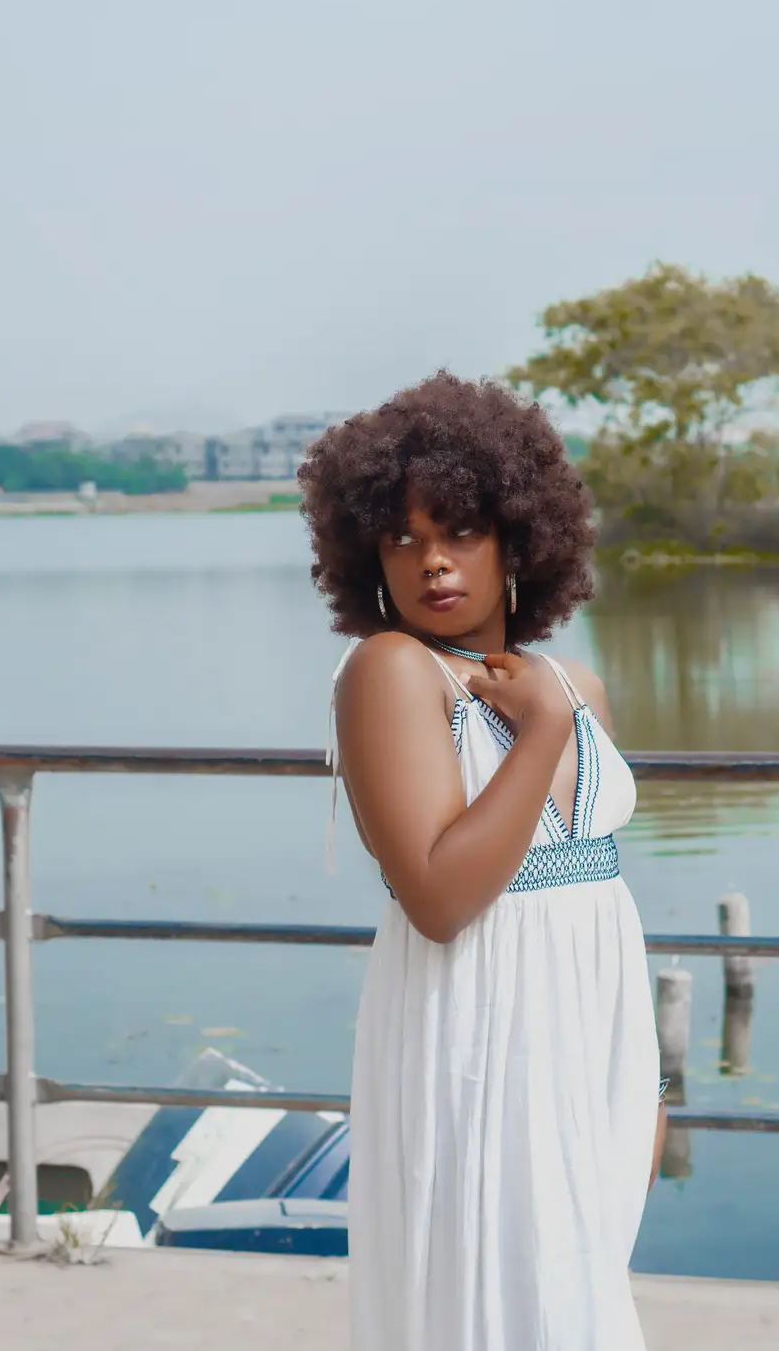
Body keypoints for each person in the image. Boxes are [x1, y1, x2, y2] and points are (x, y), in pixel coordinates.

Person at [300, 371, 666, 1351]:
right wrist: (543, 731)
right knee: (496, 1312)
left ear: (516, 537)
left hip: (588, 1049)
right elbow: (439, 895)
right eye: (403, 538)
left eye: (458, 529)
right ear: (366, 554)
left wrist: (645, 1082)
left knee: (582, 1308)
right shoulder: (390, 673)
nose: (432, 562)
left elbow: (595, 896)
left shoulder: (574, 679)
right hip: (473, 1043)